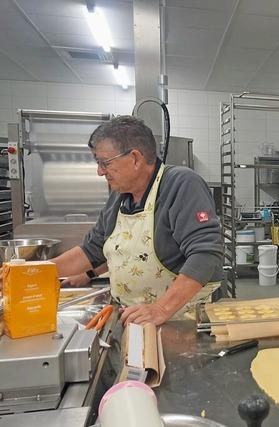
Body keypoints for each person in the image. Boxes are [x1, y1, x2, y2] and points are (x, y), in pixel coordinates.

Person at [52, 116, 224, 325]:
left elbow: (205, 255)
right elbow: (91, 250)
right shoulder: (120, 196)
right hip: (135, 318)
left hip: (184, 322)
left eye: (104, 163)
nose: (100, 172)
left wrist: (161, 309)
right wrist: (36, 272)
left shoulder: (180, 184)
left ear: (134, 158)